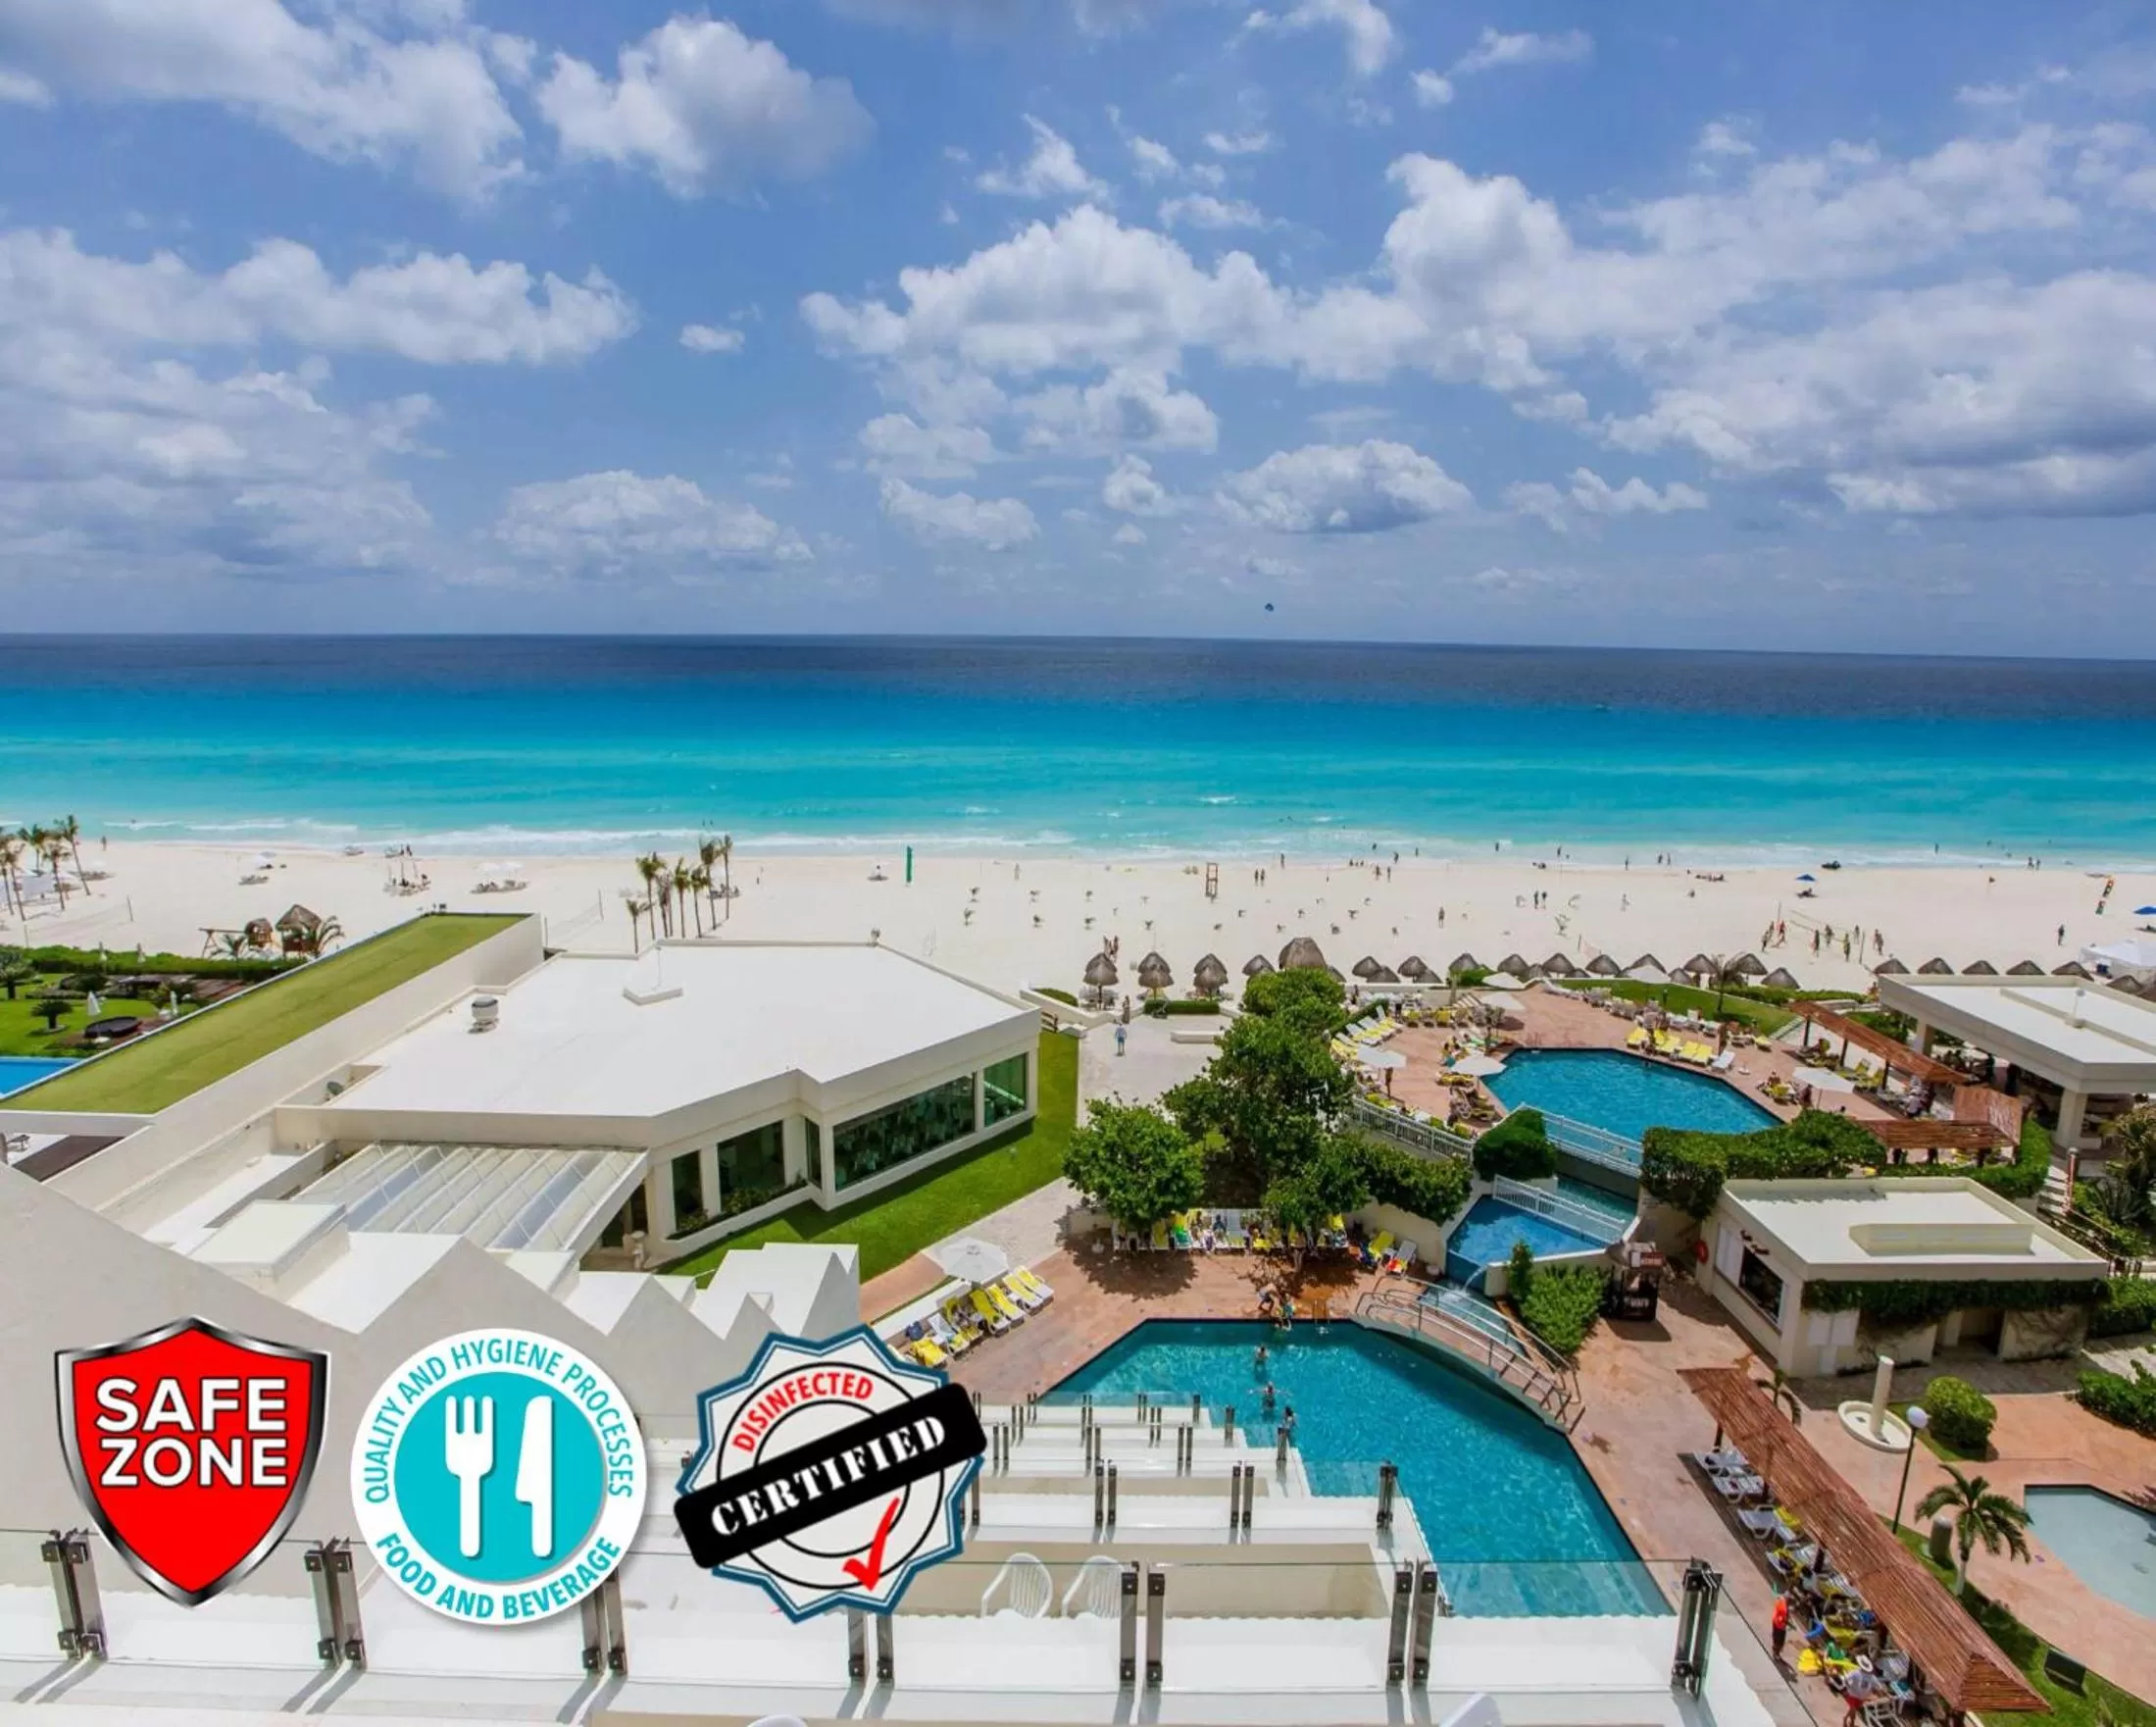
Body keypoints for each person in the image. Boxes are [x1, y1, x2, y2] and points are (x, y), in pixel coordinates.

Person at [1771, 1593, 1789, 1663]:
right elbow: (1782, 1617)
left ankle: (1776, 1651)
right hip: (1779, 1625)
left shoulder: (1781, 1601)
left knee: (1778, 1639)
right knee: (1779, 1640)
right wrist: (1784, 1621)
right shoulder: (1783, 1607)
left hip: (1779, 1624)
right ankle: (1776, 1653)